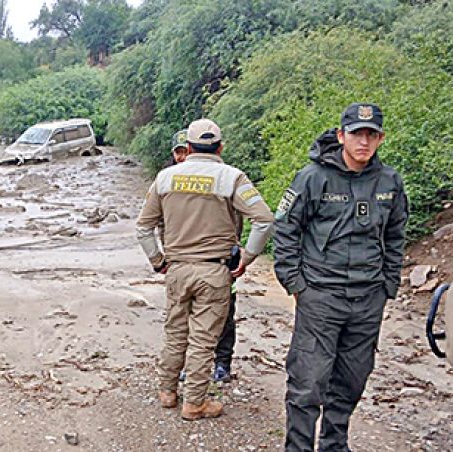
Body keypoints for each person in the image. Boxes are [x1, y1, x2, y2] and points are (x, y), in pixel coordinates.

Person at [273, 103, 408, 451]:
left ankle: (335, 445)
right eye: (356, 133)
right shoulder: (313, 177)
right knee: (308, 381)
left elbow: (395, 234)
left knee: (352, 379)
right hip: (321, 296)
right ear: (340, 135)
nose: (363, 141)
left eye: (371, 134)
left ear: (380, 138)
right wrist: (296, 283)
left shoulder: (389, 181)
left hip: (368, 299)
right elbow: (286, 229)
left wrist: (388, 283)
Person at [136, 119, 274, 420]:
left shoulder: (165, 178)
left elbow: (144, 227)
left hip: (177, 269)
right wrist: (247, 257)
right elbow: (264, 220)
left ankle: (167, 391)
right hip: (214, 271)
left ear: (187, 147)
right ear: (221, 147)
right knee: (203, 339)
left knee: (175, 332)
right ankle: (195, 402)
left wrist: (157, 260)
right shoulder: (232, 178)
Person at [168, 129, 238, 383]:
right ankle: (193, 367)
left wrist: (240, 253)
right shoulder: (168, 180)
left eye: (186, 152)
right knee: (183, 319)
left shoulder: (224, 178)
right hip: (183, 260)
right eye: (178, 153)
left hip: (220, 258)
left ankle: (221, 362)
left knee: (225, 314)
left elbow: (238, 217)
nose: (182, 157)